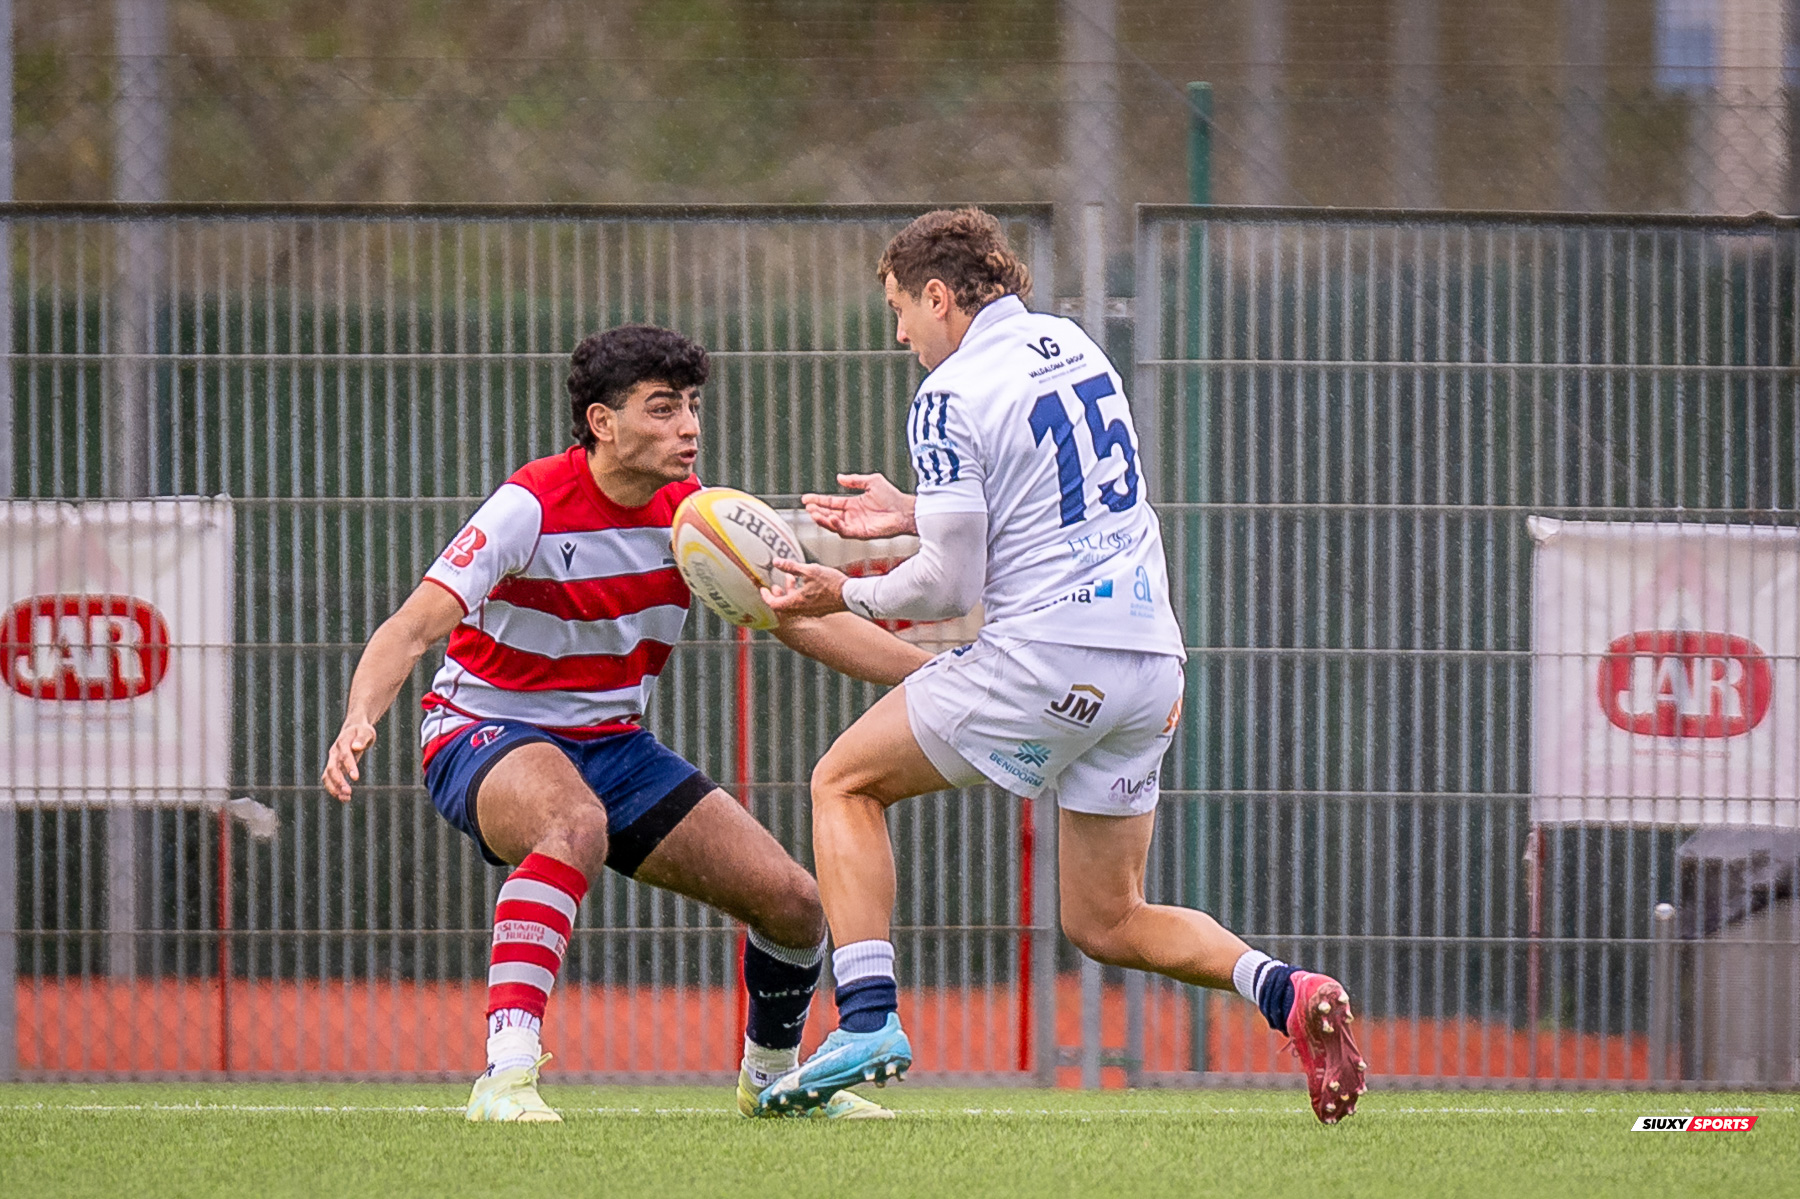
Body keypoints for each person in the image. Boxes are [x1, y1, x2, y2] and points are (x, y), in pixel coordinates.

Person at [760, 208, 1368, 1124]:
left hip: (1048, 655)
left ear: (938, 294)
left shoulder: (948, 390)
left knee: (843, 783)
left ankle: (869, 1020)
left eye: (899, 308)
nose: (898, 334)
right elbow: (1046, 501)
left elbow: (950, 585)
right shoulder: (1075, 346)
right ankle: (1283, 988)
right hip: (1151, 662)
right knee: (1107, 918)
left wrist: (838, 592)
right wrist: (918, 508)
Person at [320, 324, 923, 1122]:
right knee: (572, 823)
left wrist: (944, 674)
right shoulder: (529, 505)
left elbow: (802, 622)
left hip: (614, 746)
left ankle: (775, 1083)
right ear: (603, 422)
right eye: (664, 408)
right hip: (481, 728)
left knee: (793, 903)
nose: (690, 428)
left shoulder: (694, 519)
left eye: (694, 407)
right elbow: (409, 628)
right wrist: (360, 716)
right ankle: (504, 1074)